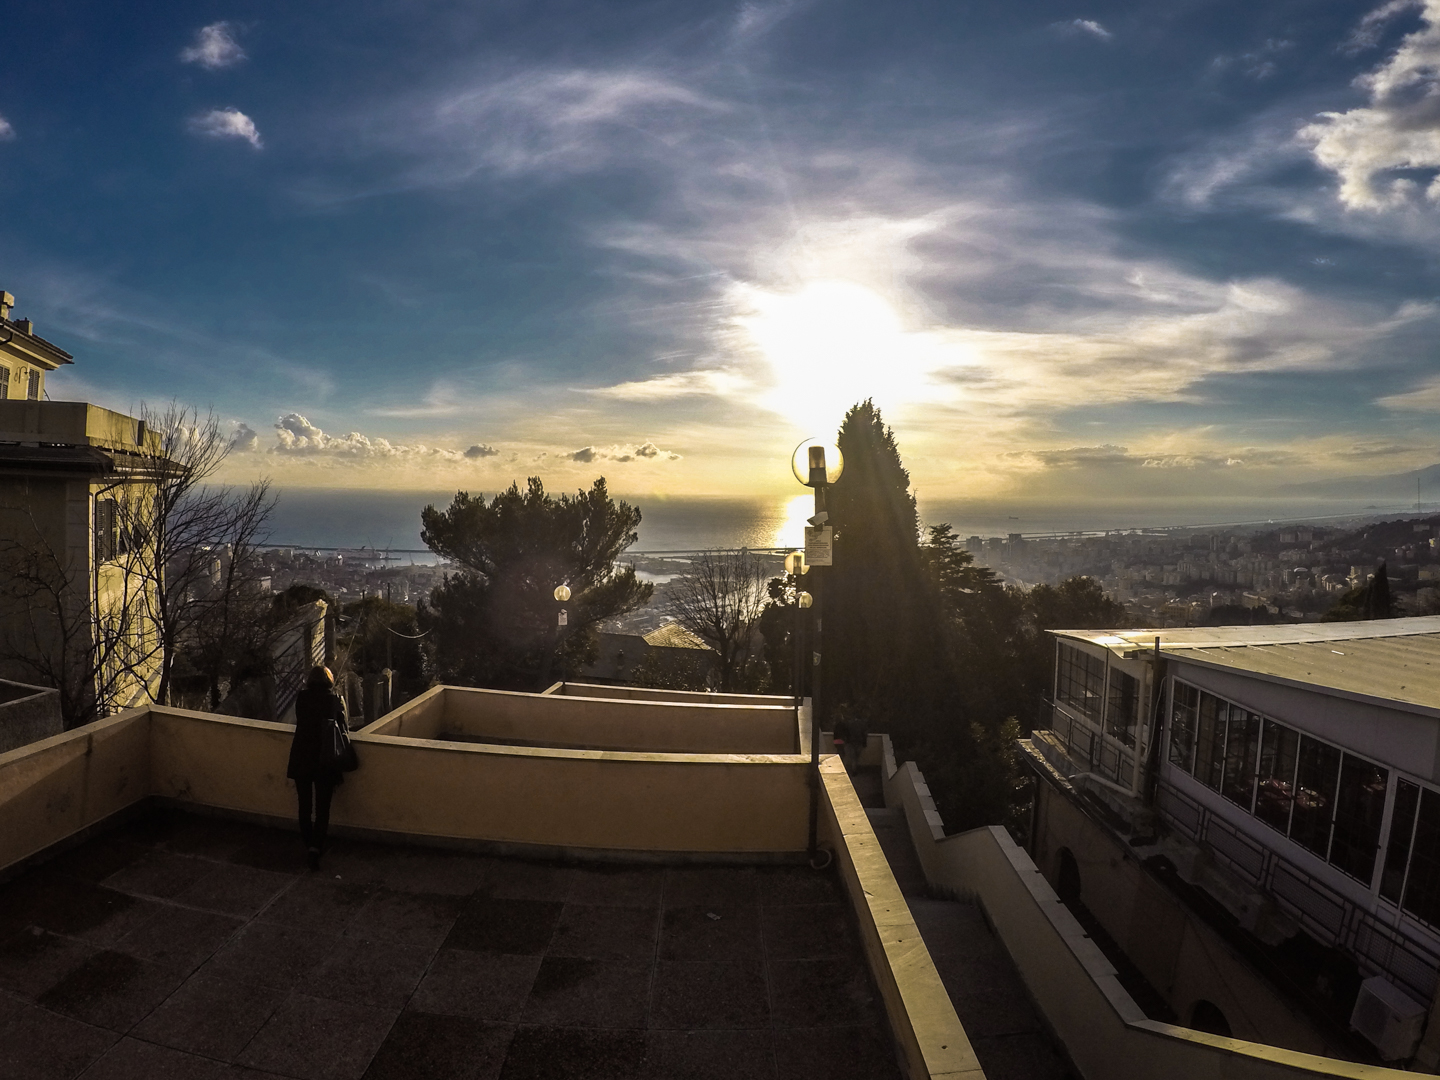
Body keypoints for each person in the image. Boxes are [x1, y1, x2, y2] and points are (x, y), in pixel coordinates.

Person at [287, 666, 347, 869]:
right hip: (324, 758)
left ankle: (308, 842)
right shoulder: (334, 699)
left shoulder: (302, 698)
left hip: (302, 757)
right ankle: (316, 847)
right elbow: (343, 726)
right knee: (322, 807)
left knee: (304, 805)